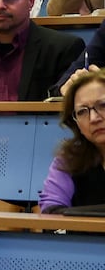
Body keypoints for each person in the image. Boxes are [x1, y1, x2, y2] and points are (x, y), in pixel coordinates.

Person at [39, 68, 105, 211]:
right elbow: (51, 211)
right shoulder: (69, 159)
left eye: (103, 105)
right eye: (82, 111)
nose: (93, 118)